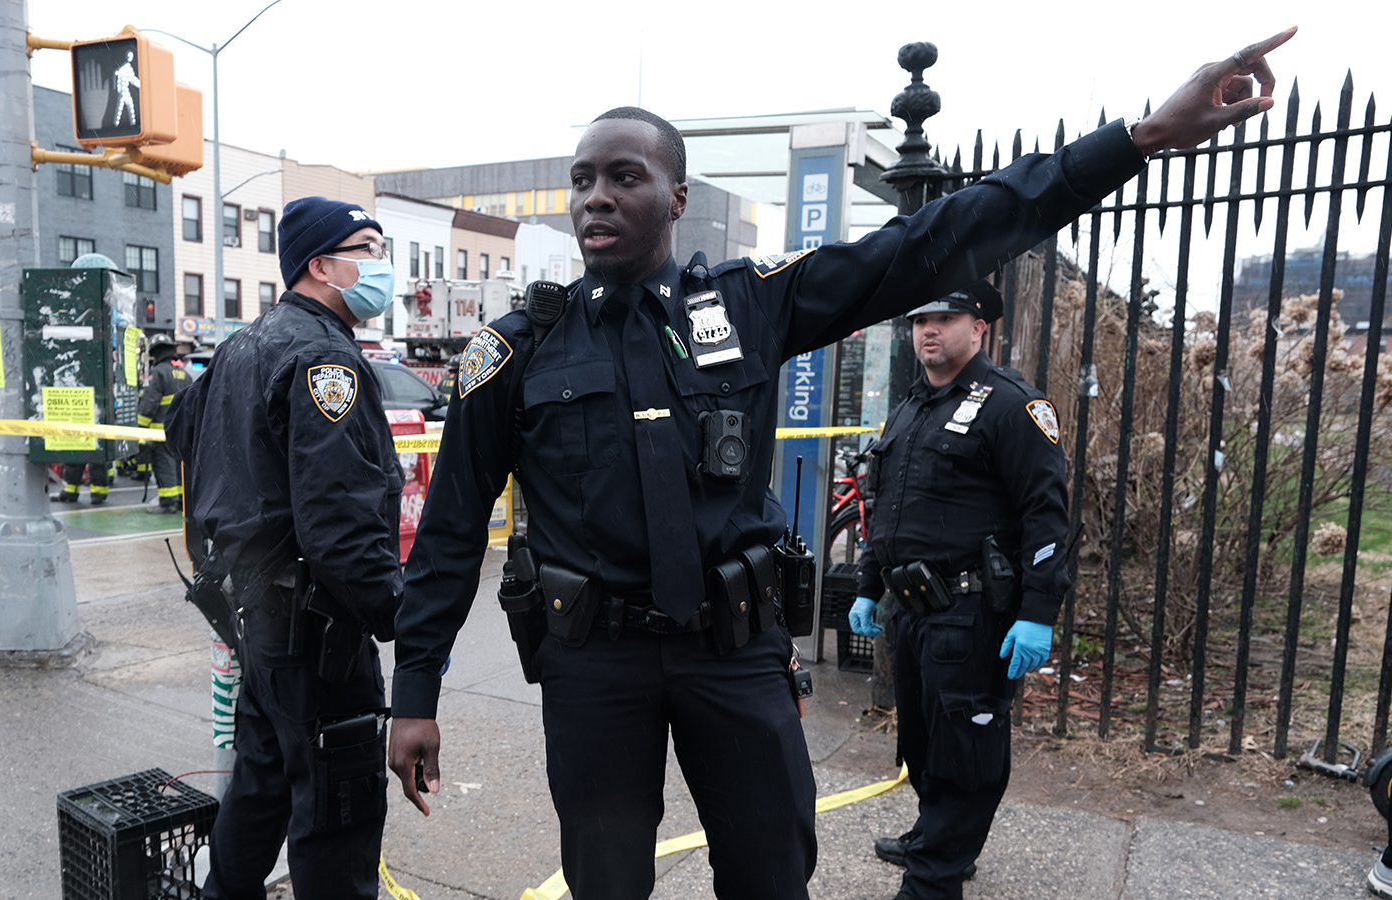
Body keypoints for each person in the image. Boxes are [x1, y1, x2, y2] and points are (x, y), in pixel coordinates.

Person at [386, 28, 1296, 900]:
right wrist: (416, 692)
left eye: (625, 176)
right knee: (607, 881)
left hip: (735, 651)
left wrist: (1141, 138)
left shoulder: (748, 306)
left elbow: (929, 240)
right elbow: (453, 528)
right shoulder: (517, 352)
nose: (596, 197)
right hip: (594, 662)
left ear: (676, 194)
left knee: (773, 871)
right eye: (582, 180)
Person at [166, 198, 402, 900]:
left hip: (256, 615)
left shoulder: (245, 345)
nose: (381, 264)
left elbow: (181, 428)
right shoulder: (324, 357)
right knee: (335, 816)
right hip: (318, 631)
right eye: (368, 248)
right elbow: (341, 527)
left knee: (262, 783)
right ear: (321, 265)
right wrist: (403, 618)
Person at [847, 283, 1065, 900]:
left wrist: (1038, 611)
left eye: (945, 317)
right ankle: (937, 839)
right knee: (922, 742)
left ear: (979, 328)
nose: (929, 330)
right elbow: (888, 507)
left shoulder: (1012, 405)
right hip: (913, 612)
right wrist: (868, 585)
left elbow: (1046, 515)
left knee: (966, 751)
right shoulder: (911, 407)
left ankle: (934, 878)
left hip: (970, 614)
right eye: (921, 319)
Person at [136, 333, 192, 513]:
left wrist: (140, 429)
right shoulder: (184, 374)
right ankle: (182, 499)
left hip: (160, 432)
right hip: (181, 432)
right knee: (179, 465)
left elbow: (149, 404)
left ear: (157, 353)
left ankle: (168, 503)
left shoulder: (158, 373)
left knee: (164, 465)